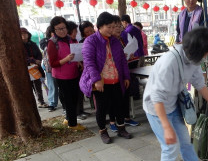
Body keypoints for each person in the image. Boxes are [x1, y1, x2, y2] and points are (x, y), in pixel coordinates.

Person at [143, 27, 208, 161]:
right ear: (197, 50)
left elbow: (200, 85)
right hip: (156, 109)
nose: (206, 56)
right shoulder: (169, 63)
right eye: (206, 52)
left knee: (185, 143)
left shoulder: (194, 59)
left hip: (173, 106)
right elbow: (157, 98)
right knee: (170, 146)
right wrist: (166, 127)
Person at [80, 12, 132, 144]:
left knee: (118, 105)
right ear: (99, 26)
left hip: (116, 80)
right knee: (102, 108)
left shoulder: (115, 40)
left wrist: (126, 76)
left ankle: (121, 128)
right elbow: (89, 62)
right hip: (101, 82)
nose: (112, 29)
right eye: (109, 27)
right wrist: (96, 79)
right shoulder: (90, 41)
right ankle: (103, 131)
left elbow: (122, 61)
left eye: (114, 26)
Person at [47, 16, 85, 131]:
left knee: (73, 99)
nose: (62, 31)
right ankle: (73, 124)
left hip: (74, 73)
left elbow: (76, 53)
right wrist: (66, 59)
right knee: (69, 100)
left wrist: (78, 61)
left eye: (63, 28)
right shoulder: (52, 43)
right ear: (54, 30)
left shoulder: (71, 39)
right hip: (62, 77)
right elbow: (53, 63)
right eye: (58, 29)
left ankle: (68, 119)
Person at [106, 15, 140, 132]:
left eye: (120, 26)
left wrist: (129, 55)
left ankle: (126, 118)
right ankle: (112, 122)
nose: (118, 29)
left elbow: (123, 56)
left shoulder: (120, 40)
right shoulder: (107, 41)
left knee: (125, 96)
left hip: (124, 73)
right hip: (111, 75)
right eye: (115, 26)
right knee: (113, 100)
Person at [21, 27, 48, 108]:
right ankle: (30, 104)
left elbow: (39, 54)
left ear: (28, 35)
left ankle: (41, 102)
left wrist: (38, 61)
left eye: (25, 33)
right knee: (28, 87)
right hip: (25, 69)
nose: (24, 35)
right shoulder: (18, 45)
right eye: (21, 34)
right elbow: (22, 57)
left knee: (37, 85)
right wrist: (33, 60)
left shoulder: (33, 44)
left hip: (35, 68)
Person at [40, 26, 59, 112]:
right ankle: (52, 103)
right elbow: (44, 49)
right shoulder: (45, 41)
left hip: (59, 66)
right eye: (53, 32)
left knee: (60, 86)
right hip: (49, 68)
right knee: (52, 86)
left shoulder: (60, 40)